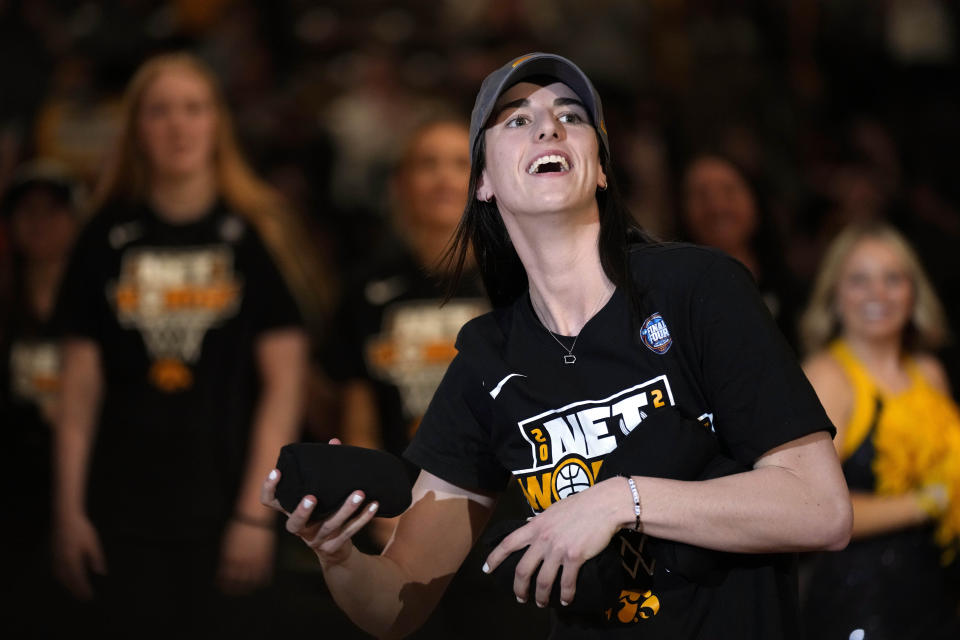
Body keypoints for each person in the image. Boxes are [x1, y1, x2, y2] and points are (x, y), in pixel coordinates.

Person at [261, 52, 852, 639]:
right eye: (517, 120)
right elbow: (396, 603)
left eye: (570, 116)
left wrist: (620, 500)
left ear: (599, 168)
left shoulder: (698, 288)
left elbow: (820, 508)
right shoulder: (488, 361)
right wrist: (339, 557)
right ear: (484, 183)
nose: (548, 125)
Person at [51, 52, 315, 636]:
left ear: (217, 122)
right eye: (159, 111)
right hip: (117, 508)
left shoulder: (255, 232)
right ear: (136, 129)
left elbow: (284, 386)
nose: (178, 125)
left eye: (194, 109)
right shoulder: (103, 236)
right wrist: (67, 512)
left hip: (225, 506)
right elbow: (78, 389)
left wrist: (255, 514)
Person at [798, 222, 960, 639]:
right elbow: (807, 510)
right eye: (859, 279)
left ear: (914, 291)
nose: (879, 295)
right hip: (861, 605)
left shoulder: (929, 371)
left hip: (937, 595)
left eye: (893, 279)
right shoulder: (828, 378)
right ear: (835, 293)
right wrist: (929, 503)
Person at [0, 158, 81, 635]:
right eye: (25, 210)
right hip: (15, 484)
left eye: (52, 210)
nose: (38, 222)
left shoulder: (100, 303)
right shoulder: (6, 304)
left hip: (81, 477)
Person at [679, 151, 804, 350]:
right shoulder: (674, 299)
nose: (717, 207)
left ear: (754, 198)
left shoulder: (794, 288)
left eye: (729, 191)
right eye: (701, 195)